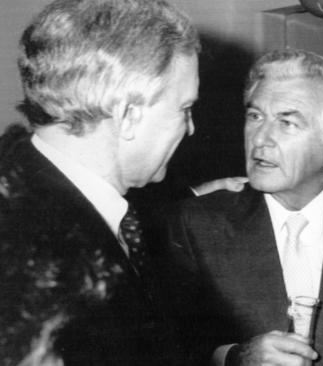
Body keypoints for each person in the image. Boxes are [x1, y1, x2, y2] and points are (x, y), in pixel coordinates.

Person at [164, 48, 323, 366]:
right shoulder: (195, 223)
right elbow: (170, 347)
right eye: (255, 116)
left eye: (287, 123)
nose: (261, 138)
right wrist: (236, 358)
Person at [0, 0, 221, 364]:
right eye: (184, 109)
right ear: (129, 116)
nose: (191, 128)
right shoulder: (29, 256)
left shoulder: (49, 202)